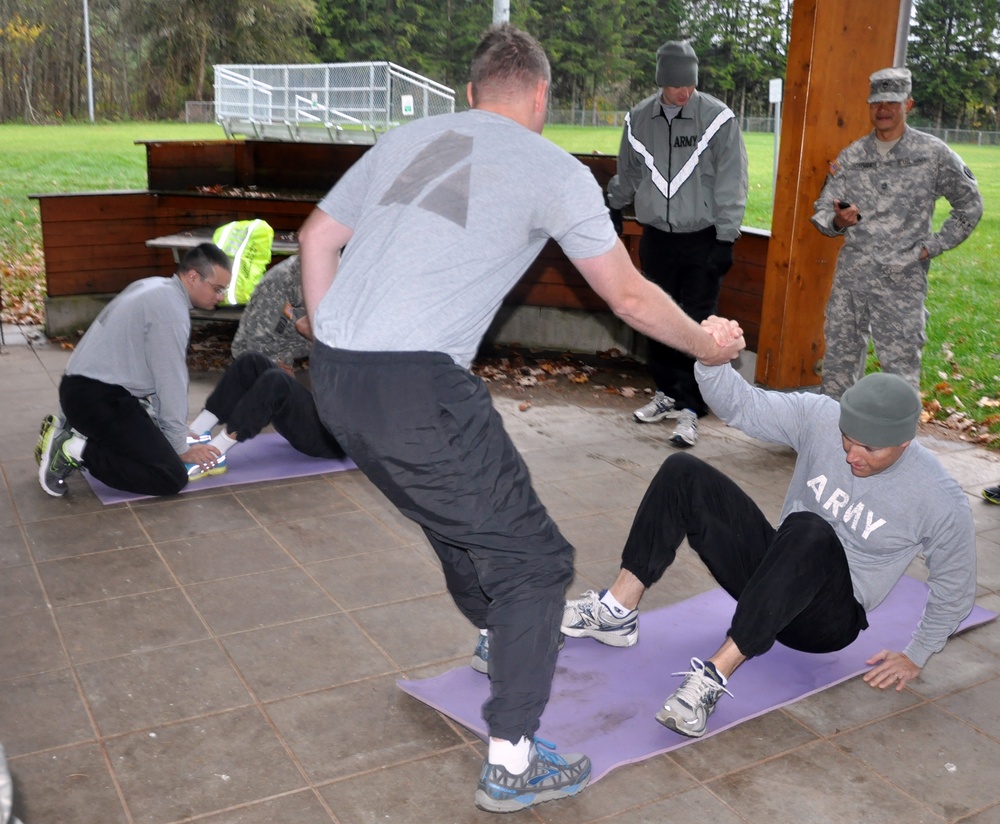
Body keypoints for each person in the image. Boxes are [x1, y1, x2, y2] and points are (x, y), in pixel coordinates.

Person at [298, 24, 744, 814]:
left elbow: (316, 238)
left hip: (335, 379)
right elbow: (630, 297)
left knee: (461, 520)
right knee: (537, 563)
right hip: (418, 388)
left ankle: (499, 638)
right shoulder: (552, 167)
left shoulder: (410, 136)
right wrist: (706, 340)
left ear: (471, 94)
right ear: (541, 96)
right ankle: (511, 759)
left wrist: (338, 341)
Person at [562, 350, 976, 740]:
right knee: (682, 471)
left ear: (904, 443)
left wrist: (917, 654)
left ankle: (712, 677)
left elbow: (956, 588)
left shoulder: (938, 497)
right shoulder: (820, 417)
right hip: (774, 580)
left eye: (870, 449)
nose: (853, 455)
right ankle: (616, 611)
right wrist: (711, 361)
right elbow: (743, 406)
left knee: (810, 530)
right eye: (848, 440)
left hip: (827, 619)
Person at [607, 40, 748, 448]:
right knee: (657, 318)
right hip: (658, 240)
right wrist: (614, 203)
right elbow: (629, 172)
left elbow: (731, 181)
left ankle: (690, 408)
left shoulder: (718, 119)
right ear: (660, 82)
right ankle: (667, 393)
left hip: (703, 239)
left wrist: (726, 237)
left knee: (697, 322)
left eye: (689, 83)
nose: (683, 92)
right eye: (675, 85)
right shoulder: (638, 120)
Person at [812, 67, 983, 400]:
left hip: (902, 278)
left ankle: (898, 448)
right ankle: (831, 438)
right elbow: (822, 212)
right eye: (877, 102)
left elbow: (970, 206)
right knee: (838, 367)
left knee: (901, 370)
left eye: (893, 101)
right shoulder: (853, 156)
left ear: (909, 104)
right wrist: (839, 222)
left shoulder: (933, 154)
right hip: (853, 277)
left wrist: (931, 247)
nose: (883, 109)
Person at [36, 243, 232, 497]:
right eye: (218, 289)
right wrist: (180, 447)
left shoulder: (153, 286)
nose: (222, 297)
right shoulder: (170, 312)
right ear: (194, 276)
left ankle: (69, 427)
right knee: (170, 476)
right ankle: (73, 449)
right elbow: (170, 385)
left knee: (152, 439)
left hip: (83, 392)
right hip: (98, 399)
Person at [185, 351, 346, 480]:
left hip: (333, 439)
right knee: (251, 361)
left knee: (277, 381)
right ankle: (197, 432)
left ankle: (214, 455)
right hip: (322, 414)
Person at [231, 254, 312, 371]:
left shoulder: (329, 269)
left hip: (283, 340)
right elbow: (260, 340)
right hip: (260, 350)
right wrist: (280, 374)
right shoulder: (284, 280)